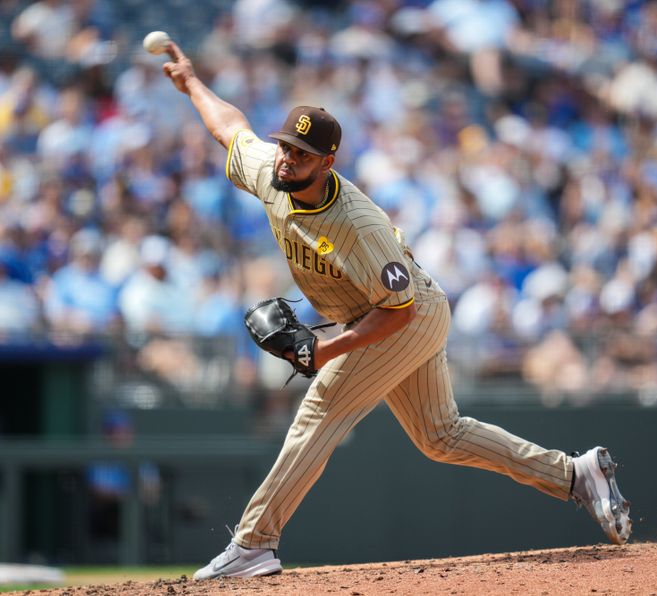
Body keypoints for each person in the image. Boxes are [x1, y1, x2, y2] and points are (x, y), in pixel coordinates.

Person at [159, 41, 632, 580]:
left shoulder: (358, 226)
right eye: (286, 147)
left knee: (322, 408)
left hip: (403, 315)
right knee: (441, 437)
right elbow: (230, 128)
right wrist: (193, 82)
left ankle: (254, 544)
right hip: (380, 313)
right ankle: (575, 474)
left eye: (302, 155)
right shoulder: (272, 173)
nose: (289, 159)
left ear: (328, 162)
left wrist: (326, 349)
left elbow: (399, 311)